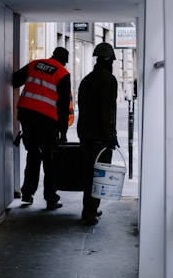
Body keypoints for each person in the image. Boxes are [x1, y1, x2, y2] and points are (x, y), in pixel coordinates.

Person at [13, 47, 71, 210]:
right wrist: (63, 132)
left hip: (26, 116)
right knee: (49, 159)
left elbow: (15, 80)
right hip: (47, 120)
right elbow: (63, 106)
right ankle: (50, 198)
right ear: (65, 61)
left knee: (33, 154)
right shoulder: (62, 73)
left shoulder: (35, 64)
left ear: (52, 55)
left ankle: (27, 193)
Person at [77, 42, 119, 225]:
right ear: (109, 60)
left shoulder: (87, 79)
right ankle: (90, 212)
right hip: (99, 135)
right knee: (99, 174)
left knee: (87, 172)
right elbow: (108, 110)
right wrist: (111, 135)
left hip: (84, 133)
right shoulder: (109, 80)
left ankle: (89, 208)